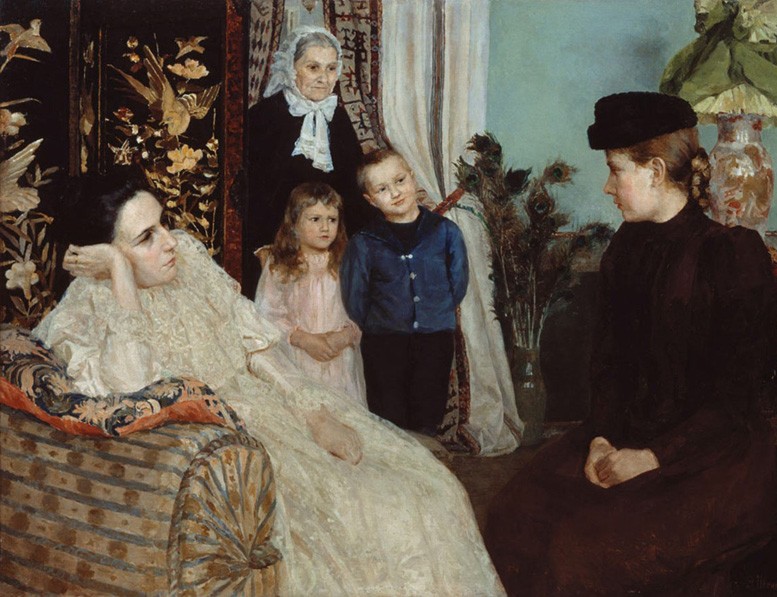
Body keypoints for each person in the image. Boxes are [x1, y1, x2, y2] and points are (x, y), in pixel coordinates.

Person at [33, 174, 504, 596]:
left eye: (163, 224)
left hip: (278, 406)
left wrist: (314, 413)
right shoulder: (87, 310)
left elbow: (255, 347)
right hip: (225, 445)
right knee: (371, 513)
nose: (169, 242)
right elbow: (136, 390)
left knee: (432, 490)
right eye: (145, 238)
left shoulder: (188, 258)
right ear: (99, 257)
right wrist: (120, 274)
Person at [484, 92, 777, 595]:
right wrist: (602, 439)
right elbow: (609, 365)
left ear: (655, 171)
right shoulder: (626, 247)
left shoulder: (731, 255)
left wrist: (652, 457)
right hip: (624, 435)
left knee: (581, 551)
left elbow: (735, 397)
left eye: (614, 170)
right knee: (514, 516)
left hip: (709, 453)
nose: (607, 187)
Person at [340, 148, 469, 435]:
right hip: (384, 343)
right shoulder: (363, 242)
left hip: (435, 337)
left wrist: (435, 310)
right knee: (389, 416)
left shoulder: (446, 232)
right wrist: (382, 322)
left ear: (412, 177)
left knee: (427, 413)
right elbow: (354, 298)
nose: (395, 193)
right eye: (382, 189)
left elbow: (458, 283)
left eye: (400, 181)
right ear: (370, 199)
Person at [245, 26, 377, 298]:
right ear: (291, 69)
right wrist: (261, 245)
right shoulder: (264, 116)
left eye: (331, 69)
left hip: (329, 243)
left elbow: (352, 189)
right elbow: (251, 190)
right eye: (313, 67)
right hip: (276, 245)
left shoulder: (338, 118)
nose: (323, 78)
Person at [254, 181, 366, 406]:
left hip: (338, 358)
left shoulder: (346, 263)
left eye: (332, 220)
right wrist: (304, 339)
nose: (325, 228)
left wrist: (344, 336)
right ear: (294, 224)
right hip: (297, 356)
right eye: (315, 219)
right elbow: (267, 313)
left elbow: (362, 309)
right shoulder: (279, 264)